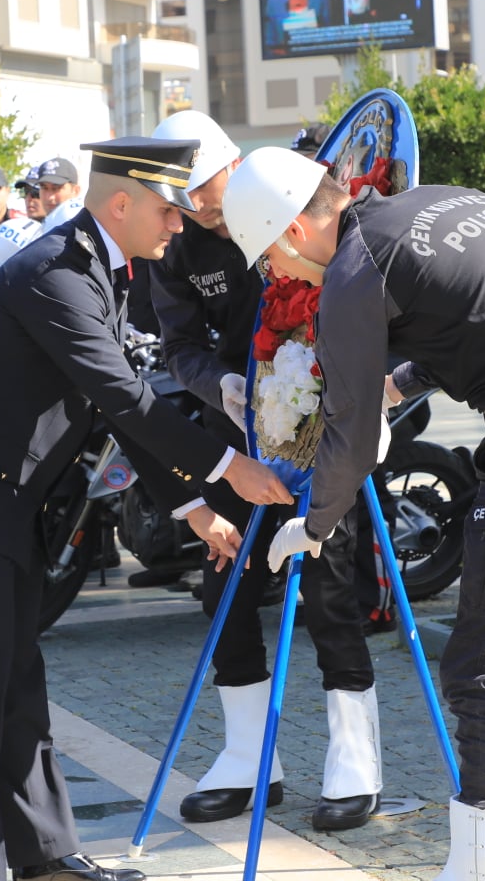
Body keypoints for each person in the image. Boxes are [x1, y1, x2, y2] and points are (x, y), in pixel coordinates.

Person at [223, 148, 485, 880]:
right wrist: (398, 384)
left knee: (484, 672)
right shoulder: (441, 201)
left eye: (268, 261)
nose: (277, 276)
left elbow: (348, 435)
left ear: (292, 231)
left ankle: (479, 871)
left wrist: (315, 525)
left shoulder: (354, 274)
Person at [0, 136, 294, 881]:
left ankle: (46, 858)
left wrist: (195, 508)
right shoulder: (56, 274)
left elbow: (120, 409)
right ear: (121, 204)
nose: (178, 225)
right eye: (169, 211)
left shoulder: (100, 270)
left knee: (20, 687)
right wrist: (229, 466)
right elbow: (127, 399)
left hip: (5, 506)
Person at [142, 112, 387, 831]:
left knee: (331, 589)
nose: (199, 210)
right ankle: (251, 757)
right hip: (240, 442)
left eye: (208, 192)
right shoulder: (175, 245)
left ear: (235, 164)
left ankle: (354, 758)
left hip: (324, 428)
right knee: (224, 587)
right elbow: (178, 344)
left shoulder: (287, 193)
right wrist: (219, 383)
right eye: (184, 199)